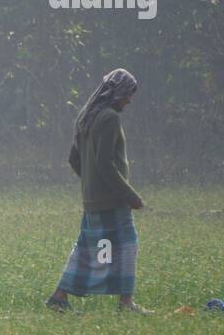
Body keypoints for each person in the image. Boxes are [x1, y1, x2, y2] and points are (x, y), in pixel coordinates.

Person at [46, 68, 151, 314]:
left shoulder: (86, 115)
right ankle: (126, 304)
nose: (129, 100)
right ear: (117, 92)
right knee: (127, 245)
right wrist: (130, 195)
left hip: (92, 199)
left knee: (85, 248)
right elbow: (105, 163)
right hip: (112, 200)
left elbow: (74, 158)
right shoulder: (110, 118)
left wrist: (90, 182)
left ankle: (59, 297)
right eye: (128, 94)